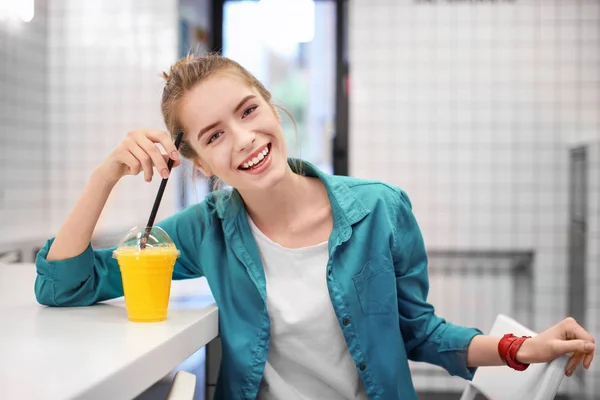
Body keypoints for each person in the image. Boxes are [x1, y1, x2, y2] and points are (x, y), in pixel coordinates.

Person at [35, 54, 595, 400]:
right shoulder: (204, 229)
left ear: (272, 107)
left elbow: (419, 332)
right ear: (200, 163)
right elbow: (65, 286)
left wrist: (525, 347)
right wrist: (106, 174)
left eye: (248, 111)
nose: (244, 139)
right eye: (213, 136)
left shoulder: (381, 210)